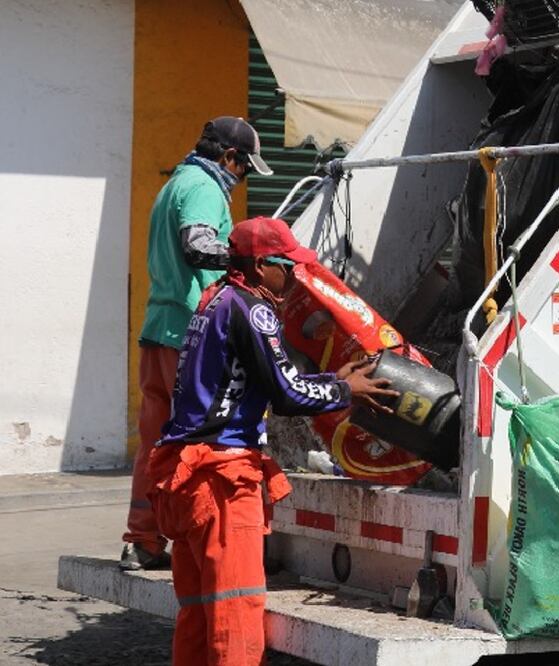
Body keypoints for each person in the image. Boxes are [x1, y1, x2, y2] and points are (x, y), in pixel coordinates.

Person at [146, 216, 398, 665]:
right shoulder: (253, 310)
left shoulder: (215, 299)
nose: (295, 276)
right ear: (262, 266)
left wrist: (331, 381)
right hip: (222, 482)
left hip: (185, 477)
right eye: (288, 266)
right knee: (236, 611)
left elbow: (266, 380)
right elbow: (287, 395)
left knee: (199, 615)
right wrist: (345, 391)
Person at [122, 116, 274, 570]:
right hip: (191, 334)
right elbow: (198, 245)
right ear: (229, 157)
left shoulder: (175, 182)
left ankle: (143, 540)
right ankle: (196, 539)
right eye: (244, 167)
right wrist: (249, 258)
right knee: (199, 442)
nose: (242, 177)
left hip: (159, 328)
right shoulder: (205, 187)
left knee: (155, 441)